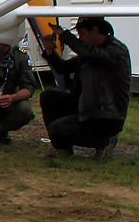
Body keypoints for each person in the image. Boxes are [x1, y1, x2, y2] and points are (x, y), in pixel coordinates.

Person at [40, 17, 131, 158]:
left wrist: (64, 35)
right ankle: (63, 148)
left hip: (106, 115)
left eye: (81, 33)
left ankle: (106, 141)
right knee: (48, 97)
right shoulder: (90, 53)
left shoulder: (116, 50)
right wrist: (50, 51)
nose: (80, 38)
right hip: (88, 107)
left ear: (95, 30)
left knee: (57, 129)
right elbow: (62, 68)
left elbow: (88, 53)